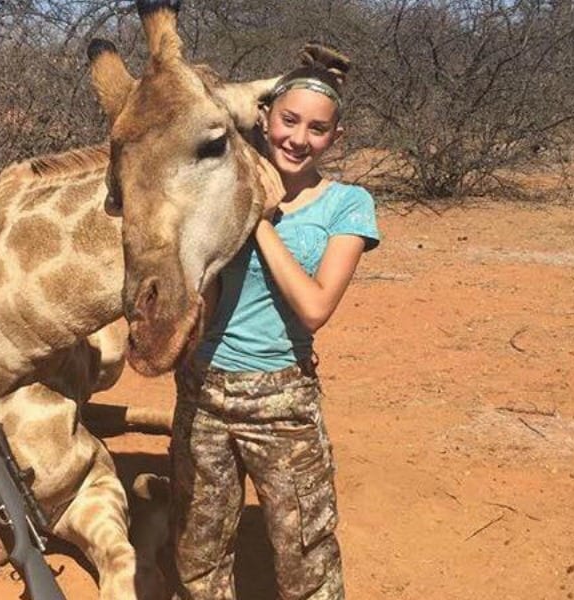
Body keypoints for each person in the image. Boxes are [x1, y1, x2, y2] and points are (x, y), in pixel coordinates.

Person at [170, 44, 381, 600]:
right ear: (264, 117)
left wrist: (260, 220)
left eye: (317, 128)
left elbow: (314, 307)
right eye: (288, 120)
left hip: (282, 404)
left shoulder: (347, 205)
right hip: (203, 392)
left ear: (337, 136)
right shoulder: (220, 187)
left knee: (304, 556)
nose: (298, 138)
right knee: (199, 551)